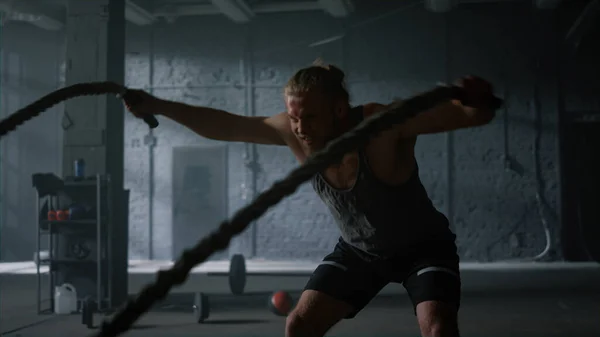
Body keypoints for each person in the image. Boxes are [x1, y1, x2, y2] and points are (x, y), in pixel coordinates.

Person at [123, 60, 496, 337]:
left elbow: (457, 116)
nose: (301, 128)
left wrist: (475, 104)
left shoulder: (380, 126)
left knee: (438, 330)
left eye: (311, 118)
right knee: (299, 325)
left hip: (423, 248)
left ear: (337, 111)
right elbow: (227, 125)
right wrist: (158, 104)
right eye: (294, 117)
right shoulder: (294, 130)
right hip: (360, 251)